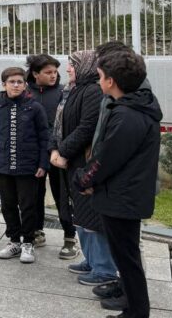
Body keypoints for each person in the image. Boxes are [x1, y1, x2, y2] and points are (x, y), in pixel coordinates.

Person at [74, 50, 161, 318]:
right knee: (126, 257)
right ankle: (133, 306)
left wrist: (84, 179)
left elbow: (106, 158)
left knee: (127, 259)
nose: (98, 82)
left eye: (100, 77)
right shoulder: (133, 107)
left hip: (123, 198)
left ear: (110, 81)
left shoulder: (128, 115)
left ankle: (136, 312)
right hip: (123, 194)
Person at [50, 50, 119, 289]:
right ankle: (91, 261)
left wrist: (64, 152)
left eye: (71, 65)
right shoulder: (72, 90)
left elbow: (87, 127)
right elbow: (58, 124)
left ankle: (104, 269)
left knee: (91, 217)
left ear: (86, 67)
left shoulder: (91, 91)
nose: (67, 69)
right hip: (69, 162)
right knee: (79, 214)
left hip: (82, 163)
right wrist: (54, 150)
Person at [0, 67, 50, 264]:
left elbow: (44, 137)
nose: (16, 85)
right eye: (12, 82)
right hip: (3, 167)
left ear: (25, 85)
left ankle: (28, 242)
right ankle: (14, 241)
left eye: (20, 82)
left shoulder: (34, 107)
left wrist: (42, 163)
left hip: (28, 168)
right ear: (4, 84)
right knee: (8, 205)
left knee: (28, 206)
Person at [25, 53, 75, 256]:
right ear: (36, 74)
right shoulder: (26, 94)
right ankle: (37, 231)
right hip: (34, 154)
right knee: (34, 194)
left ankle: (70, 237)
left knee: (62, 194)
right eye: (48, 72)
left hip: (58, 152)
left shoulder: (65, 93)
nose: (54, 75)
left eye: (56, 71)